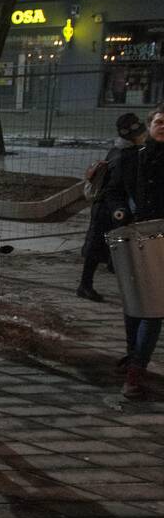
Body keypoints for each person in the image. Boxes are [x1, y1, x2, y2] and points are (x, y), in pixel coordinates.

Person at [105, 104, 164, 400]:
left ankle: (136, 371)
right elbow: (113, 192)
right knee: (134, 304)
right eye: (159, 121)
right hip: (137, 239)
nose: (163, 126)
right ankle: (133, 357)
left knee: (154, 310)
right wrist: (118, 212)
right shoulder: (132, 159)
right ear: (150, 125)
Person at [78, 113, 146, 302]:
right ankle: (85, 286)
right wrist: (122, 211)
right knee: (96, 249)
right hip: (109, 209)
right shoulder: (127, 156)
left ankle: (98, 277)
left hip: (109, 208)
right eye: (141, 132)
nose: (144, 134)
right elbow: (115, 187)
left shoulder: (119, 150)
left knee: (105, 247)